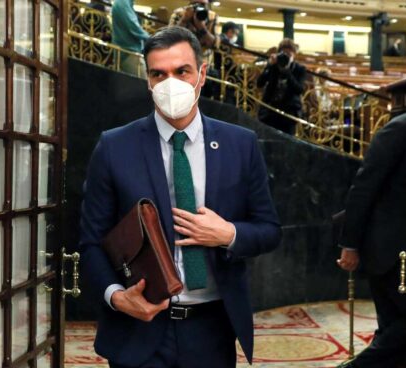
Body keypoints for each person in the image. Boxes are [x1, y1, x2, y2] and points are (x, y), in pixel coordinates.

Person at [78, 26, 282, 368]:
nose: (169, 83)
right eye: (159, 74)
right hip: (138, 329)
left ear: (201, 74)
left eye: (181, 71)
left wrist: (228, 234)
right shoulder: (115, 147)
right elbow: (91, 242)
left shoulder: (240, 144)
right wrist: (117, 297)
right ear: (147, 80)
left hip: (212, 329)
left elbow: (269, 229)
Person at [336, 110, 406, 368]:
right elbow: (363, 188)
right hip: (386, 249)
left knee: (393, 331)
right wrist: (350, 244)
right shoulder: (399, 129)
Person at [257, 38, 307, 135]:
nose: (286, 57)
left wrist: (287, 71)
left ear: (294, 55)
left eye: (289, 54)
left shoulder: (299, 69)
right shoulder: (274, 66)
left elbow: (299, 89)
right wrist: (269, 65)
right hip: (270, 111)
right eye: (284, 54)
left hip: (289, 114)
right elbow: (260, 83)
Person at [111, 0, 150, 76]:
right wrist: (151, 38)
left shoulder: (125, 2)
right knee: (144, 84)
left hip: (127, 51)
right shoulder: (123, 2)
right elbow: (133, 27)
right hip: (128, 51)